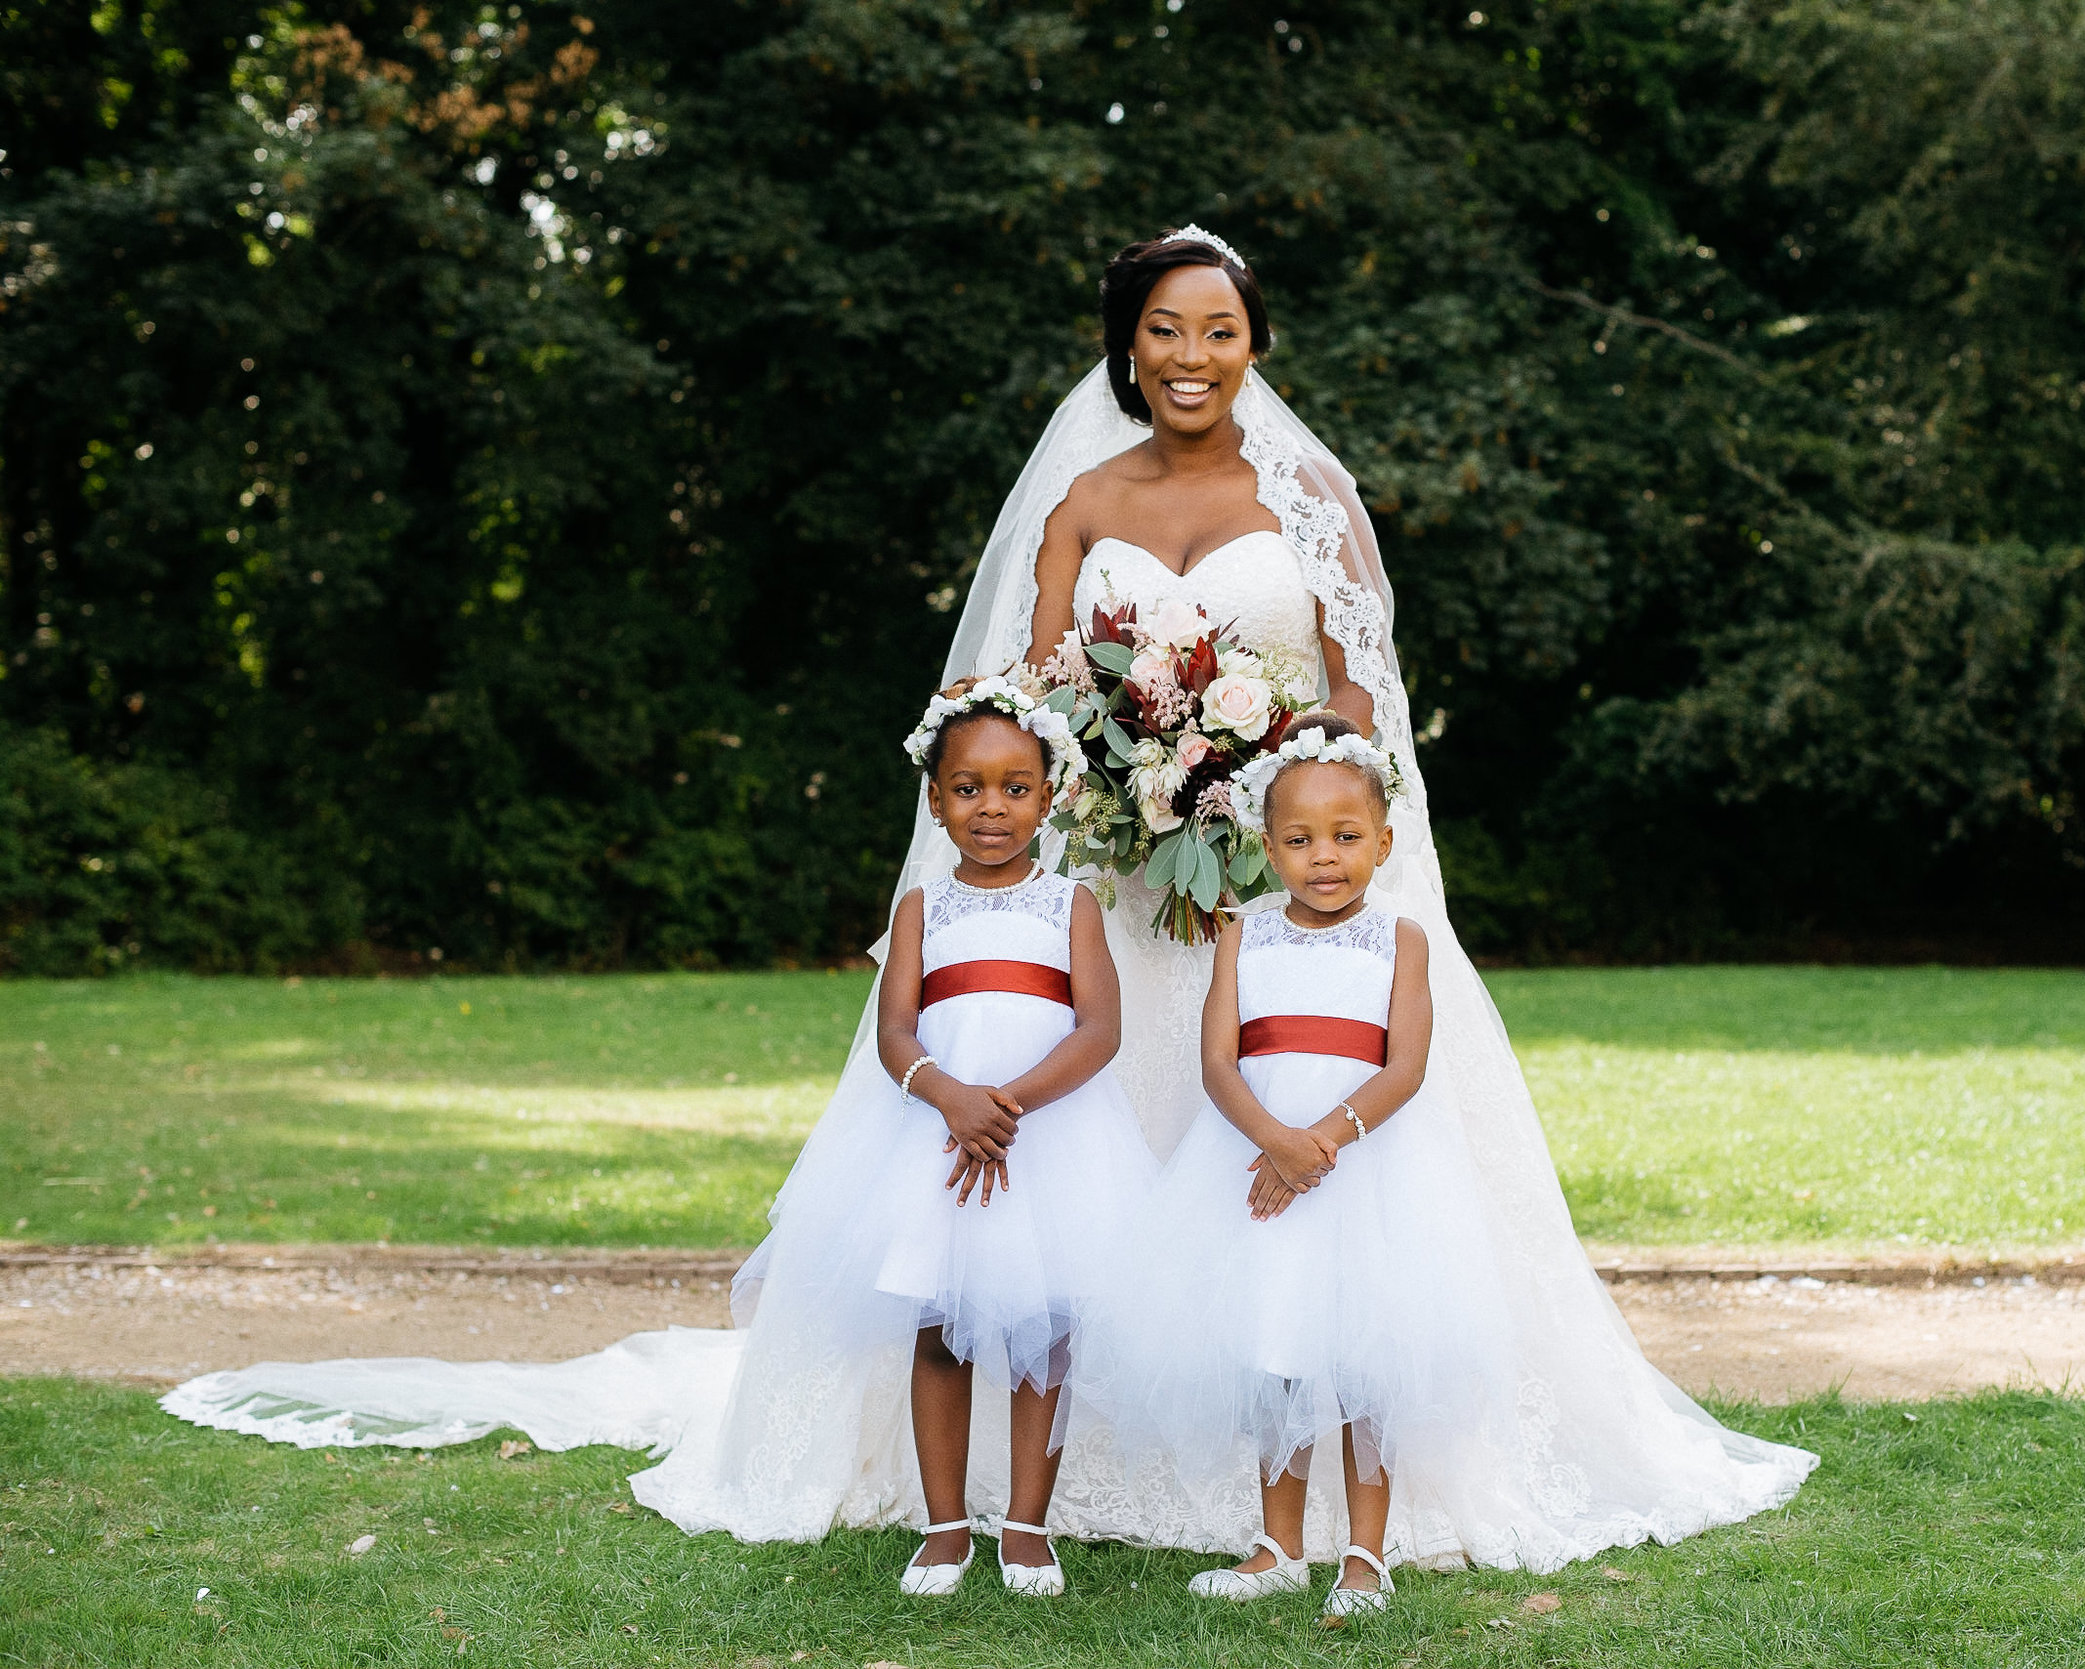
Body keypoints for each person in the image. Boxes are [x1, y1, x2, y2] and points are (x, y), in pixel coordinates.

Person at [165, 226, 1813, 1573]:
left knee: (1284, 1189)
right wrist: (1120, 770)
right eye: (1166, 329)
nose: (1193, 356)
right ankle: (1021, 1486)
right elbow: (1019, 701)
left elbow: (1361, 719)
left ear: (1256, 341)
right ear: (1126, 343)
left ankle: (1319, 1493)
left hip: (1263, 898)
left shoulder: (1311, 504)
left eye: (1222, 330)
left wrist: (1260, 804)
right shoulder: (1080, 504)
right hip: (1105, 890)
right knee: (1071, 1198)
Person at [1078, 713, 1513, 1619]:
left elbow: (1406, 1065)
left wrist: (1321, 1141)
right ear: (1267, 847)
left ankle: (1364, 1551)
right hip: (1257, 1162)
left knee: (1365, 1359)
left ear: (1384, 842)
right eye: (1301, 839)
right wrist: (1275, 1140)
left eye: (1347, 837)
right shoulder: (1244, 932)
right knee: (1273, 1349)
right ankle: (1277, 1543)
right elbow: (1219, 1062)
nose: (1325, 857)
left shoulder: (1401, 939)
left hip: (1367, 1171)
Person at [869, 676, 1155, 1596]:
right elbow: (894, 1032)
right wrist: (952, 1097)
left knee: (1046, 1328)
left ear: (1049, 794)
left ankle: (1027, 1525)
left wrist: (1007, 1104)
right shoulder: (921, 907)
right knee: (940, 1325)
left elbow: (1100, 1029)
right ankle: (945, 1524)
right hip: (941, 1137)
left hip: (1047, 1138)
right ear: (935, 796)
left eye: (1015, 786)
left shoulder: (1069, 902)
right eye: (967, 787)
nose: (991, 806)